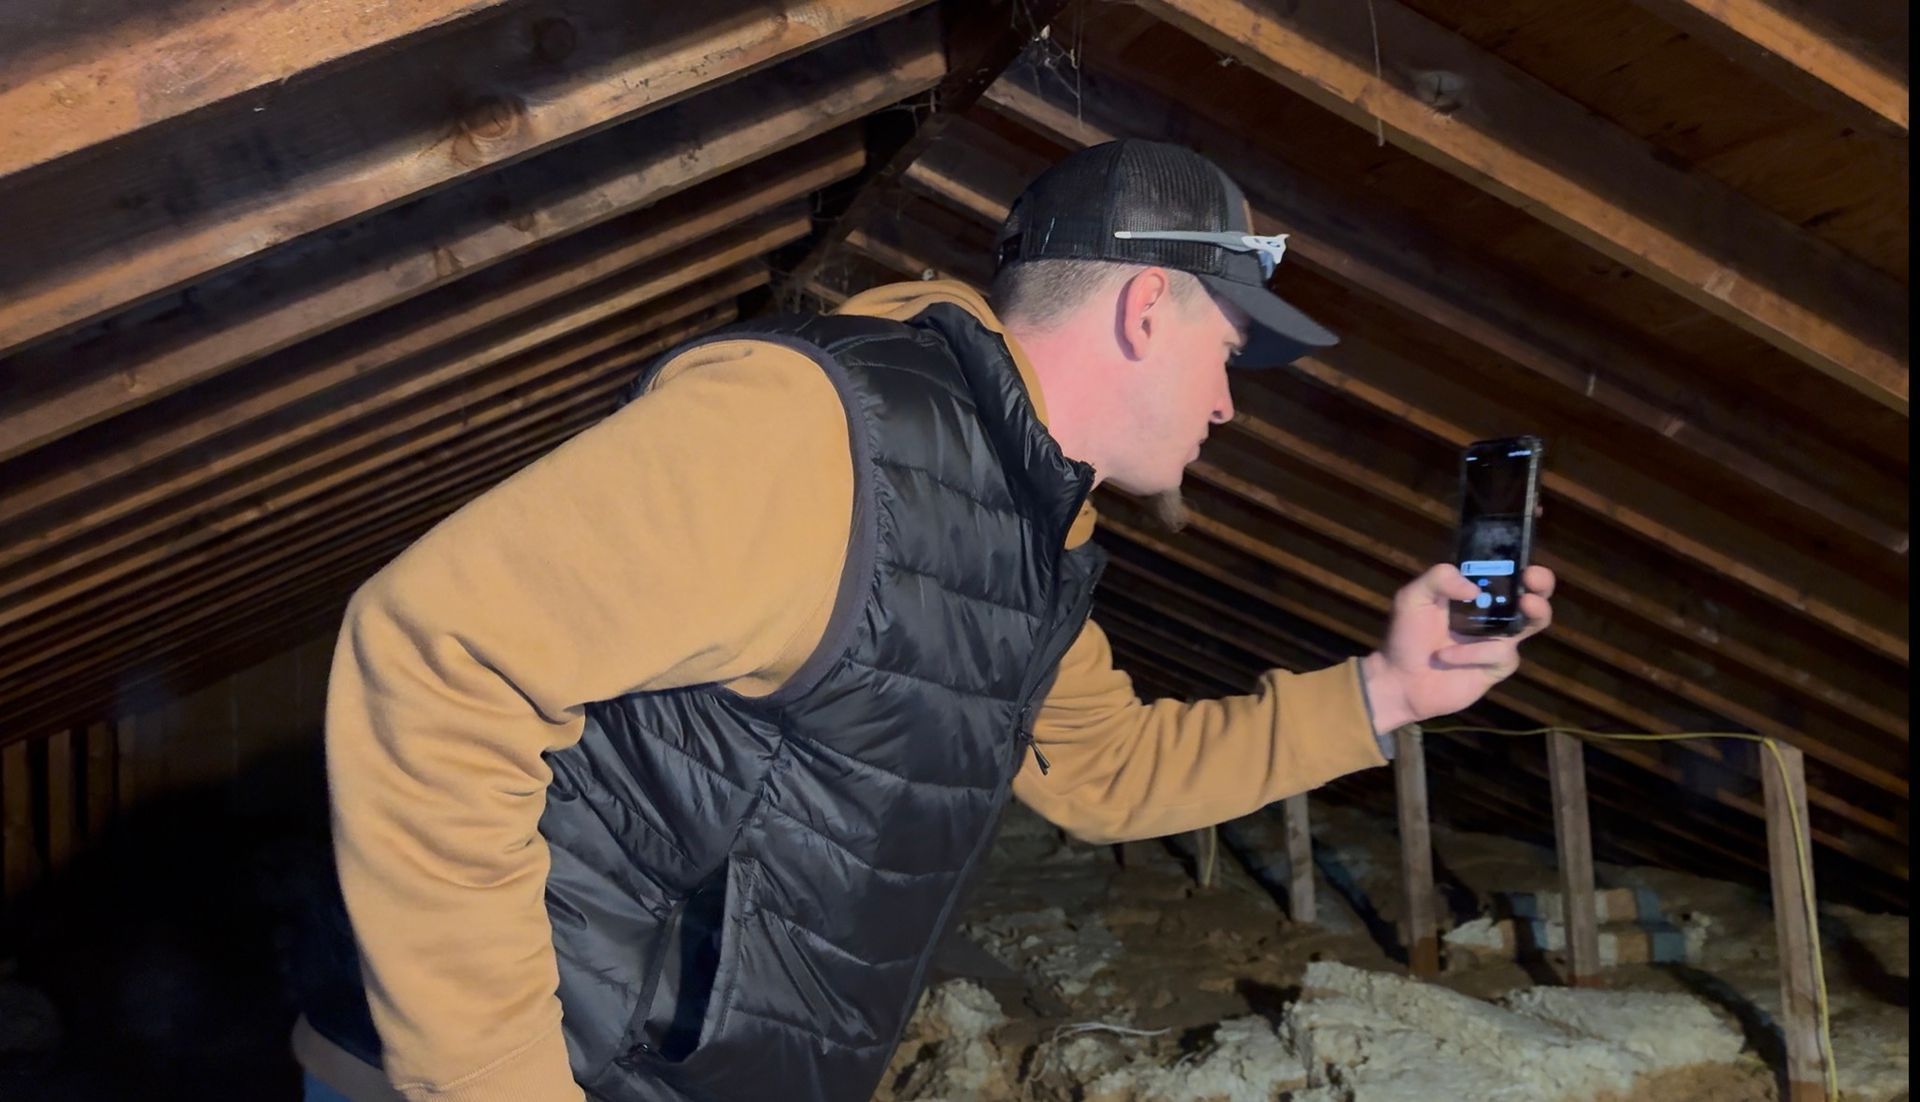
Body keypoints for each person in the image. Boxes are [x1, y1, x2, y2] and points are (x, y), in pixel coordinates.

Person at [295, 139, 1555, 1102]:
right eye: (1229, 350)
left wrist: (1388, 691)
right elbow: (435, 651)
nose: (1231, 403)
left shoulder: (1028, 530)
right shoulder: (814, 432)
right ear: (1147, 308)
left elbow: (1110, 770)